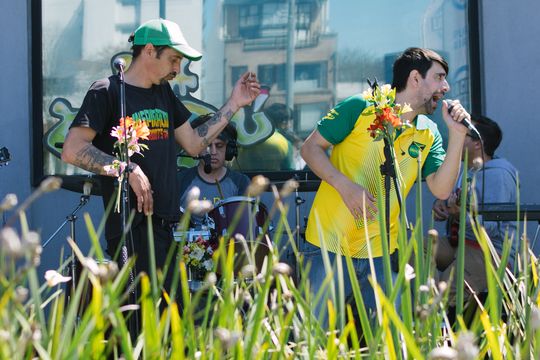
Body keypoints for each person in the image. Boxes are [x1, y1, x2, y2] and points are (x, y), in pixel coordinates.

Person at [61, 18, 260, 302]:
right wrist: (125, 168)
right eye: (174, 59)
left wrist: (234, 104)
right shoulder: (107, 91)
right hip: (133, 228)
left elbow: (193, 143)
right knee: (150, 325)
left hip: (167, 226)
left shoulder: (163, 94)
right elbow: (72, 149)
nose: (177, 69)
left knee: (169, 323)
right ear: (150, 50)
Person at [300, 47, 470, 323]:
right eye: (439, 77)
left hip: (379, 253)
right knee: (315, 336)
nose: (446, 87)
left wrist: (458, 135)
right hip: (327, 245)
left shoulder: (429, 131)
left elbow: (441, 189)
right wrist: (345, 187)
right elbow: (310, 149)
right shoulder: (361, 106)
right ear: (415, 78)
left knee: (394, 336)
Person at [432, 115, 518, 306]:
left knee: (445, 290)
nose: (457, 137)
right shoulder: (465, 169)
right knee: (418, 248)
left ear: (478, 144)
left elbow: (491, 228)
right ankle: (427, 301)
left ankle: (441, 319)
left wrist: (459, 215)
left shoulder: (499, 175)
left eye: (464, 134)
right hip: (461, 244)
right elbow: (456, 203)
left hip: (489, 252)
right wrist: (442, 205)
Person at [177, 123, 250, 226]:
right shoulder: (180, 180)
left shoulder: (240, 182)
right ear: (196, 147)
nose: (213, 152)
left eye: (219, 146)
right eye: (207, 146)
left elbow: (246, 226)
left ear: (229, 150)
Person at [236, 103, 296, 171]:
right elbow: (290, 171)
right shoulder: (283, 142)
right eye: (289, 122)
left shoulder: (244, 139)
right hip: (274, 180)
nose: (290, 126)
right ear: (283, 122)